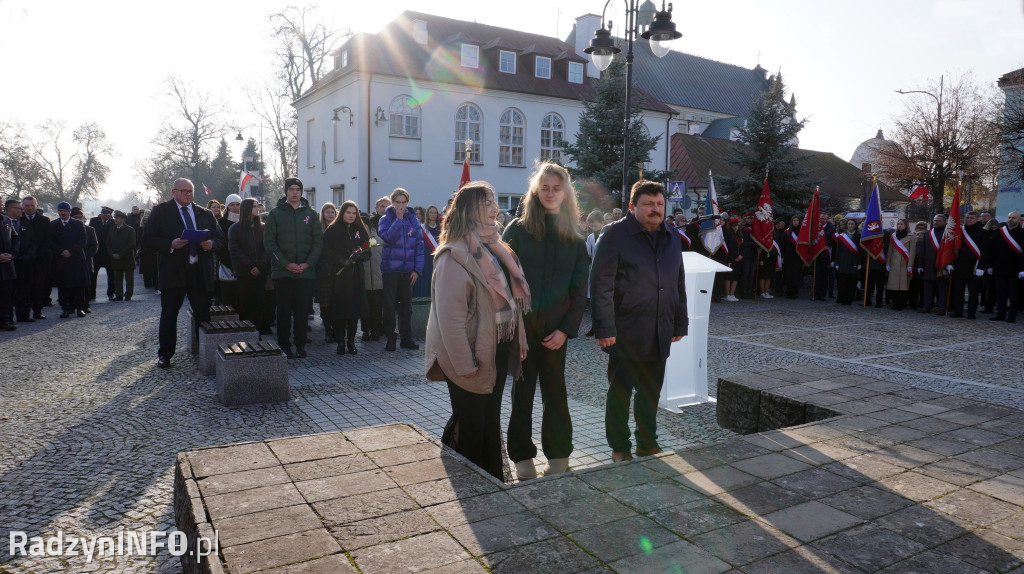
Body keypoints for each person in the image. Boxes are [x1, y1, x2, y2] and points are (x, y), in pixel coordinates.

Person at [425, 181, 530, 480]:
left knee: (488, 420)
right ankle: (470, 485)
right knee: (471, 423)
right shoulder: (453, 255)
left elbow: (510, 302)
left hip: (493, 349)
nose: (495, 208)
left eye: (495, 201)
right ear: (470, 209)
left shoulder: (497, 248)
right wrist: (464, 365)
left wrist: (518, 340)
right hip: (467, 356)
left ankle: (491, 481)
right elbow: (450, 319)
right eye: (487, 203)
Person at [502, 163, 589, 480]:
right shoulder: (517, 230)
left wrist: (566, 329)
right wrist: (516, 329)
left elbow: (580, 291)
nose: (550, 193)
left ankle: (559, 455)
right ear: (536, 192)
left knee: (556, 393)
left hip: (556, 333)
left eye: (556, 188)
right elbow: (500, 283)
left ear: (565, 192)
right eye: (545, 188)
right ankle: (522, 456)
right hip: (522, 330)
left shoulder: (575, 237)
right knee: (522, 394)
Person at [590, 180, 687, 462]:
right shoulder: (615, 236)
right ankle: (620, 447)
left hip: (660, 328)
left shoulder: (672, 237)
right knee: (620, 394)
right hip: (625, 331)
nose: (655, 209)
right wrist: (605, 327)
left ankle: (648, 443)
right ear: (633, 207)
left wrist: (680, 323)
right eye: (648, 204)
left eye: (659, 204)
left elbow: (677, 282)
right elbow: (600, 285)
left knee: (650, 392)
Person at [144, 178, 224, 368]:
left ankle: (204, 351)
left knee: (203, 313)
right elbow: (148, 239)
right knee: (170, 313)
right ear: (174, 192)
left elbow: (220, 238)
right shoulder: (162, 211)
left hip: (199, 271)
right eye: (184, 191)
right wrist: (170, 244)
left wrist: (211, 244)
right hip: (173, 271)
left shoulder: (204, 213)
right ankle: (165, 354)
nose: (188, 194)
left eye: (191, 191)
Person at [265, 177, 323, 359]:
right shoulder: (275, 214)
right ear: (286, 191)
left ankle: (300, 345)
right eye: (291, 189)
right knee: (283, 312)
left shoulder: (311, 214)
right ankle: (284, 345)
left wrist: (307, 264)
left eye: (298, 189)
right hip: (283, 272)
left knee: (301, 312)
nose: (295, 192)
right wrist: (286, 264)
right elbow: (269, 243)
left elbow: (318, 243)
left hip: (305, 273)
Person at [378, 188, 424, 351]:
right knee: (389, 306)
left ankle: (406, 337)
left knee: (407, 307)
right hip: (391, 269)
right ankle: (391, 337)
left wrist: (417, 270)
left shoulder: (414, 220)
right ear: (392, 202)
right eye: (397, 202)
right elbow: (388, 238)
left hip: (408, 271)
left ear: (408, 203)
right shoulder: (385, 219)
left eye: (403, 202)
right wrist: (398, 220)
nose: (401, 206)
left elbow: (419, 246)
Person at [323, 201, 372, 355]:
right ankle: (340, 342)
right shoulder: (333, 230)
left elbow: (368, 250)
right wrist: (340, 260)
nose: (351, 216)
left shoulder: (360, 229)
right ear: (342, 213)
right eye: (348, 212)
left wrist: (360, 256)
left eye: (354, 213)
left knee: (354, 310)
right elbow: (326, 252)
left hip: (356, 274)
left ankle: (351, 342)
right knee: (340, 309)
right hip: (340, 275)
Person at [229, 198, 272, 335]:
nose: (257, 208)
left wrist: (260, 266)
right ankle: (246, 334)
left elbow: (267, 249)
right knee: (245, 304)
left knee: (260, 304)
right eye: (254, 206)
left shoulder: (263, 227)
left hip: (261, 272)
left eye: (257, 206)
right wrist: (250, 266)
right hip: (244, 273)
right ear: (247, 208)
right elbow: (235, 251)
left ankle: (258, 332)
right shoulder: (235, 229)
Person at [982, 211, 1024, 323]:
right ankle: (1000, 314)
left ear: (1019, 220)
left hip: (1015, 270)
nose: (1011, 219)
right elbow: (992, 250)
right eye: (1009, 217)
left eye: (1014, 218)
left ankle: (1012, 316)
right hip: (999, 268)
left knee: (1014, 294)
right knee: (1000, 293)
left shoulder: (1023, 233)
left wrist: (1022, 269)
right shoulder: (999, 232)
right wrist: (990, 265)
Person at [50, 202, 90, 318]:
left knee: (79, 285)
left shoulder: (78, 224)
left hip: (76, 259)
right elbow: (51, 241)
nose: (62, 213)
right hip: (61, 259)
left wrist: (71, 251)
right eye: (60, 211)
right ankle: (65, 309)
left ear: (69, 212)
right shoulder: (53, 225)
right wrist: (61, 251)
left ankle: (80, 308)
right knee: (63, 286)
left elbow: (83, 240)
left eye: (65, 211)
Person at [949, 211, 987, 319]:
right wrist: (949, 263)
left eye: (972, 218)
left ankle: (971, 312)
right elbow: (952, 248)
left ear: (977, 219)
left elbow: (985, 252)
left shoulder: (983, 233)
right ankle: (958, 311)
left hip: (974, 266)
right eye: (967, 217)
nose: (969, 219)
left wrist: (981, 267)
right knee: (958, 292)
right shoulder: (959, 232)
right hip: (960, 265)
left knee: (973, 292)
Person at [20, 197, 51, 320]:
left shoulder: (44, 220)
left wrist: (38, 254)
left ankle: (38, 311)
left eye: (32, 205)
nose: (30, 208)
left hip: (40, 259)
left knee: (39, 287)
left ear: (37, 206)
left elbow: (48, 240)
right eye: (27, 205)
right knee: (23, 287)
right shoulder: (18, 220)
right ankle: (23, 313)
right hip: (23, 259)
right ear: (23, 206)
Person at [5, 199, 35, 323]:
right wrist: (12, 255)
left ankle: (23, 315)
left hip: (24, 261)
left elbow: (33, 242)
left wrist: (29, 255)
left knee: (24, 289)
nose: (22, 210)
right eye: (19, 208)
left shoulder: (25, 224)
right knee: (9, 292)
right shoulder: (4, 223)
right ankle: (8, 318)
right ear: (10, 209)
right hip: (8, 262)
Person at [916, 213, 949, 314]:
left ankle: (942, 307)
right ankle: (927, 306)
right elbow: (922, 251)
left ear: (945, 222)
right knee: (927, 288)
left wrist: (949, 264)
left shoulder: (948, 234)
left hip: (942, 265)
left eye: (938, 221)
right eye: (934, 221)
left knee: (941, 288)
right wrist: (920, 265)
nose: (936, 222)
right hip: (928, 265)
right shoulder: (928, 234)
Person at [316, 202, 338, 343]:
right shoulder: (318, 230)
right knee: (325, 301)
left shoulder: (338, 228)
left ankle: (335, 329)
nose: (330, 215)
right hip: (322, 271)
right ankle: (328, 328)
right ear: (323, 214)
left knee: (336, 300)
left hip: (336, 269)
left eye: (332, 212)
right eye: (327, 212)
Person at [71, 207, 98, 313]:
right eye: (76, 217)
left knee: (86, 285)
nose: (78, 219)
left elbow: (94, 246)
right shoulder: (68, 229)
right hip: (71, 261)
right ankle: (71, 306)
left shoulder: (90, 230)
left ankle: (85, 305)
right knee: (71, 285)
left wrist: (84, 256)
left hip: (85, 261)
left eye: (80, 217)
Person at [885, 219, 916, 311]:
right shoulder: (893, 236)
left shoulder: (912, 236)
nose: (900, 225)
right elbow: (890, 250)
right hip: (894, 262)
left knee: (903, 286)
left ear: (906, 225)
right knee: (893, 285)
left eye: (902, 224)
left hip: (904, 262)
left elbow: (912, 252)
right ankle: (894, 303)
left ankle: (901, 304)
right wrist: (888, 263)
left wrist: (910, 265)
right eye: (898, 224)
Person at [106, 210, 136, 301]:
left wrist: (120, 254)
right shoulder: (111, 229)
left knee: (129, 278)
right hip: (115, 258)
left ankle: (128, 295)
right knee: (117, 278)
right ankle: (118, 294)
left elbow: (131, 244)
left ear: (122, 219)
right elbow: (107, 243)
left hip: (126, 257)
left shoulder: (130, 230)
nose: (115, 219)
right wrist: (112, 254)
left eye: (117, 218)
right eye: (114, 217)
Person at [87, 206, 114, 301]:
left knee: (111, 275)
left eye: (107, 215)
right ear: (101, 214)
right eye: (103, 215)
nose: (104, 217)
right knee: (93, 275)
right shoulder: (94, 221)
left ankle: (111, 293)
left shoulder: (113, 223)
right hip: (96, 252)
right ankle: (91, 294)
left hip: (108, 252)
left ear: (110, 216)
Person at [833, 219, 860, 305]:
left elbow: (861, 251)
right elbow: (838, 250)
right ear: (847, 225)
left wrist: (859, 263)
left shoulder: (859, 236)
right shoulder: (842, 236)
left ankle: (849, 299)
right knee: (842, 282)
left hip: (854, 261)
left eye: (852, 224)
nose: (850, 225)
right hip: (843, 261)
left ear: (855, 225)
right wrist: (837, 262)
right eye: (849, 224)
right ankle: (841, 298)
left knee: (851, 282)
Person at [0, 207, 19, 330]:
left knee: (6, 295)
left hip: (6, 265)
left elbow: (16, 239)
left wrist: (12, 254)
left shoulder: (6, 220)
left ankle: (4, 320)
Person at [907, 221, 928, 310]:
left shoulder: (928, 237)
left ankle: (922, 302)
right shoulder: (911, 237)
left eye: (922, 228)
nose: (920, 230)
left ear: (925, 229)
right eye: (918, 228)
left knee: (923, 286)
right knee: (913, 285)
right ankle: (912, 302)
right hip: (913, 264)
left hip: (924, 265)